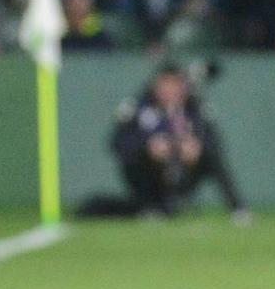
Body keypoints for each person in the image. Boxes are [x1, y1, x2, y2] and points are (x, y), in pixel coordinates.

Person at [99, 63, 248, 220]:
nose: (170, 90)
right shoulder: (137, 106)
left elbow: (214, 140)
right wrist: (147, 147)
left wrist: (197, 147)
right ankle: (151, 207)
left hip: (185, 172)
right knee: (135, 162)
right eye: (165, 84)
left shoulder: (195, 107)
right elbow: (116, 142)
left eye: (175, 84)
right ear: (155, 85)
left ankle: (238, 209)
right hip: (151, 175)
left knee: (213, 158)